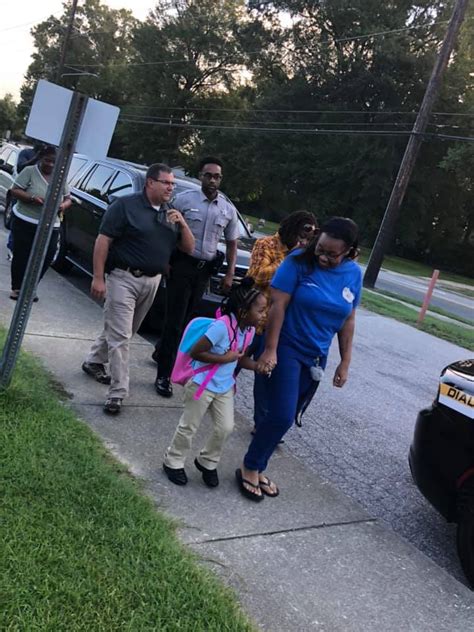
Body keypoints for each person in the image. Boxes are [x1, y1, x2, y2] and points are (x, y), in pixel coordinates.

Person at [236, 217, 362, 501]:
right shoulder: (298, 262)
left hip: (317, 355)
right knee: (280, 414)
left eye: (332, 253)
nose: (324, 257)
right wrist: (270, 349)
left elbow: (348, 319)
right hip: (286, 346)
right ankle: (250, 466)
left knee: (287, 416)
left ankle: (258, 466)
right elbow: (278, 306)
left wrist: (345, 362)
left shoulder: (353, 273)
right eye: (321, 249)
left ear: (350, 251)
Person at [82, 163, 195, 415]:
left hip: (152, 281)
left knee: (124, 331)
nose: (170, 187)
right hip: (122, 277)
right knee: (121, 336)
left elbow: (189, 248)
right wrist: (98, 277)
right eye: (166, 182)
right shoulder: (125, 206)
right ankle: (117, 393)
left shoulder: (171, 213)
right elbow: (103, 240)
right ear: (150, 183)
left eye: (172, 183)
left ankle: (93, 360)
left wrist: (183, 224)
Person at [163, 278, 267, 487]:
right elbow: (197, 352)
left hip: (224, 387)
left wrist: (257, 366)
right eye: (261, 310)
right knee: (189, 426)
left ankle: (207, 461)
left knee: (226, 427)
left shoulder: (247, 331)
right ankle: (173, 461)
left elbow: (239, 357)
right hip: (201, 383)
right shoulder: (221, 327)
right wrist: (224, 359)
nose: (264, 315)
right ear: (244, 311)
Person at [154, 156, 240, 399]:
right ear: (200, 176)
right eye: (208, 175)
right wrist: (166, 262)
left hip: (204, 270)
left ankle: (162, 352)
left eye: (217, 176)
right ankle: (164, 375)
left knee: (189, 321)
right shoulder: (183, 200)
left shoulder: (227, 208)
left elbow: (232, 243)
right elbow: (165, 233)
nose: (212, 180)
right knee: (174, 321)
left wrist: (230, 274)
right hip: (181, 266)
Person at [247, 211, 318, 432]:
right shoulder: (266, 244)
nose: (304, 240)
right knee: (230, 364)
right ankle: (207, 396)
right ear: (291, 229)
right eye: (302, 233)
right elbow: (256, 276)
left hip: (276, 328)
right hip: (252, 322)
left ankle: (262, 425)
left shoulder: (307, 257)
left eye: (309, 237)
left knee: (265, 376)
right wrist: (290, 259)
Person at [9, 145, 71, 301]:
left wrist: (63, 206)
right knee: (22, 255)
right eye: (47, 160)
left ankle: (30, 287)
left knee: (47, 255)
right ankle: (17, 288)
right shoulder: (29, 171)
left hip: (51, 224)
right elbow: (14, 190)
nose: (50, 164)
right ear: (40, 158)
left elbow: (68, 198)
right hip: (26, 220)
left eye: (53, 162)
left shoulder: (60, 177)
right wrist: (31, 198)